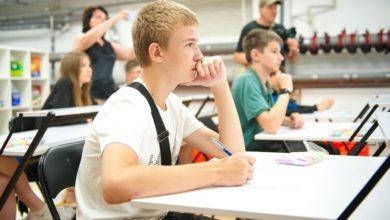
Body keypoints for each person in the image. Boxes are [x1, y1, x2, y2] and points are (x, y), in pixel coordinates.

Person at [75, 1, 255, 219]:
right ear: (157, 52)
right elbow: (115, 184)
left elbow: (233, 153)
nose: (199, 55)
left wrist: (220, 85)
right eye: (189, 44)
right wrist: (215, 172)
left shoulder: (172, 104)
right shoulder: (127, 106)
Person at [0, 51, 93, 220]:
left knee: (3, 183)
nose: (89, 69)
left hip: (46, 149)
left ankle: (40, 211)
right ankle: (42, 211)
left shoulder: (83, 92)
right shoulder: (66, 84)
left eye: (89, 65)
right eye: (84, 65)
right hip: (38, 155)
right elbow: (60, 120)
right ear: (72, 69)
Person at [232, 29, 305, 152]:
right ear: (255, 55)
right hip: (250, 152)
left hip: (263, 146)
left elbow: (266, 118)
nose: (281, 58)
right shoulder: (247, 80)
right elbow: (271, 126)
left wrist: (290, 121)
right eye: (274, 52)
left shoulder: (263, 81)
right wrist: (285, 90)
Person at [74, 5, 135, 104]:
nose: (103, 21)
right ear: (88, 20)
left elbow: (129, 54)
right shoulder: (81, 38)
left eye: (105, 18)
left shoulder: (109, 45)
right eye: (98, 17)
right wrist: (114, 19)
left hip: (110, 94)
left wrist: (143, 34)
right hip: (90, 95)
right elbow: (84, 41)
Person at [233, 0, 299, 69]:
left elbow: (291, 58)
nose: (274, 11)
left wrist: (294, 50)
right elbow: (237, 57)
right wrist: (261, 58)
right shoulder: (249, 29)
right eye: (270, 8)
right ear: (260, 9)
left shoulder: (280, 29)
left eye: (275, 8)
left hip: (278, 75)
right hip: (257, 76)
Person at [269, 72, 335, 115]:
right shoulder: (267, 96)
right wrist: (316, 108)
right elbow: (283, 113)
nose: (282, 78)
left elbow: (295, 107)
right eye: (278, 75)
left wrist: (316, 107)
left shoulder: (276, 95)